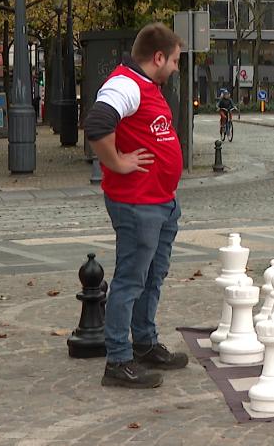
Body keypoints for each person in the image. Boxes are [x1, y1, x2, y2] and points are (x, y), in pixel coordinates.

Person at [83, 22, 187, 388]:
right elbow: (97, 123)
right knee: (130, 281)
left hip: (161, 201)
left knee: (152, 277)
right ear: (158, 57)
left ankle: (144, 342)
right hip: (137, 203)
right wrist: (116, 162)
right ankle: (118, 360)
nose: (176, 68)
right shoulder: (125, 84)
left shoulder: (147, 85)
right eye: (175, 61)